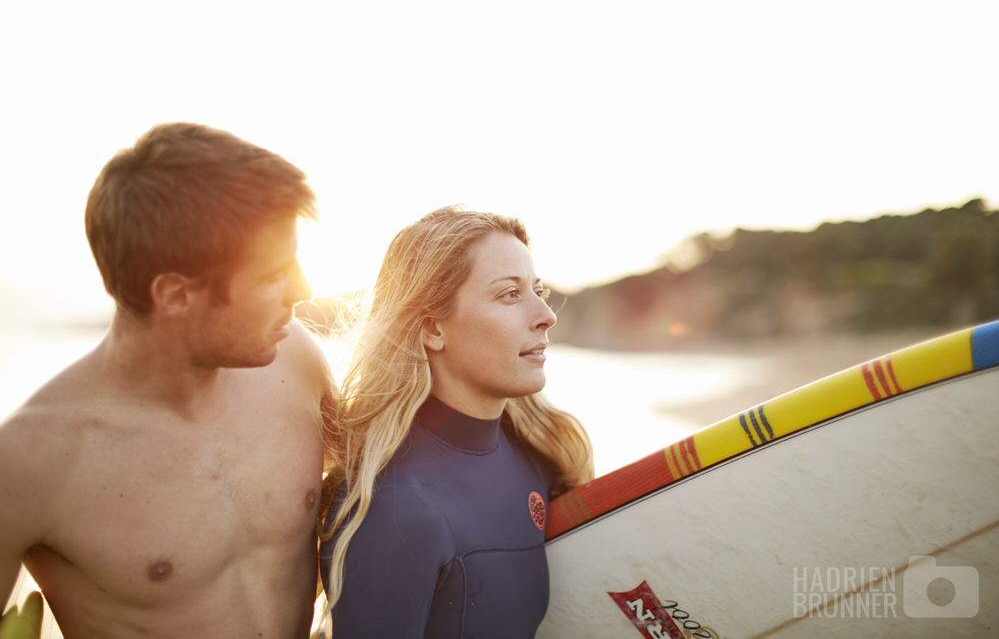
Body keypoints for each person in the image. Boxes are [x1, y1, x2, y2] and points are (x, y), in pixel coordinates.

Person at [0, 123, 336, 638]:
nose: (304, 291)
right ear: (175, 295)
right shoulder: (30, 460)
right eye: (273, 275)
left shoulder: (296, 363)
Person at [319, 206, 594, 637]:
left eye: (538, 290)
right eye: (510, 294)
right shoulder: (394, 508)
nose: (546, 314)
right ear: (432, 328)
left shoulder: (541, 457)